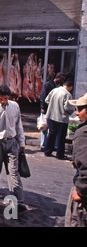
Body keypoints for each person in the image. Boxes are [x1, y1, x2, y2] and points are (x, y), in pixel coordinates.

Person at [65, 93, 87, 227]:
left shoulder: (83, 133)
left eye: (80, 109)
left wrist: (80, 190)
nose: (77, 113)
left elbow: (85, 166)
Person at [44, 80, 76, 160]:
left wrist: (52, 106)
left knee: (51, 134)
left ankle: (47, 151)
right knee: (61, 137)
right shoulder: (68, 94)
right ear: (70, 87)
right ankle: (60, 154)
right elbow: (67, 107)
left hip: (51, 116)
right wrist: (73, 109)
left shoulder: (54, 90)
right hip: (62, 118)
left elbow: (46, 100)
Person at [39, 72, 65, 150]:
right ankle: (43, 145)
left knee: (53, 129)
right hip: (47, 109)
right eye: (62, 79)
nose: (63, 81)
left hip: (55, 110)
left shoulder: (60, 86)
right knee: (44, 127)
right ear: (58, 78)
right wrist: (43, 107)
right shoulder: (48, 84)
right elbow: (43, 96)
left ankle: (53, 146)